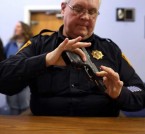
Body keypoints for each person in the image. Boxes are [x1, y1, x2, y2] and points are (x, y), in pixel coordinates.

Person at [0, 0, 145, 116]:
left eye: (92, 11)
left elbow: (139, 91)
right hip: (46, 129)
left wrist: (120, 94)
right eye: (78, 9)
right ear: (63, 9)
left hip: (102, 130)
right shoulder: (39, 44)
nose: (85, 16)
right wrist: (46, 60)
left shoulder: (110, 49)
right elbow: (4, 79)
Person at [4, 21, 33, 115]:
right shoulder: (10, 44)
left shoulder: (30, 43)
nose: (15, 29)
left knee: (26, 106)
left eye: (18, 27)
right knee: (13, 107)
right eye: (15, 27)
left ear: (24, 29)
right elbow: (4, 60)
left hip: (26, 80)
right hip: (10, 80)